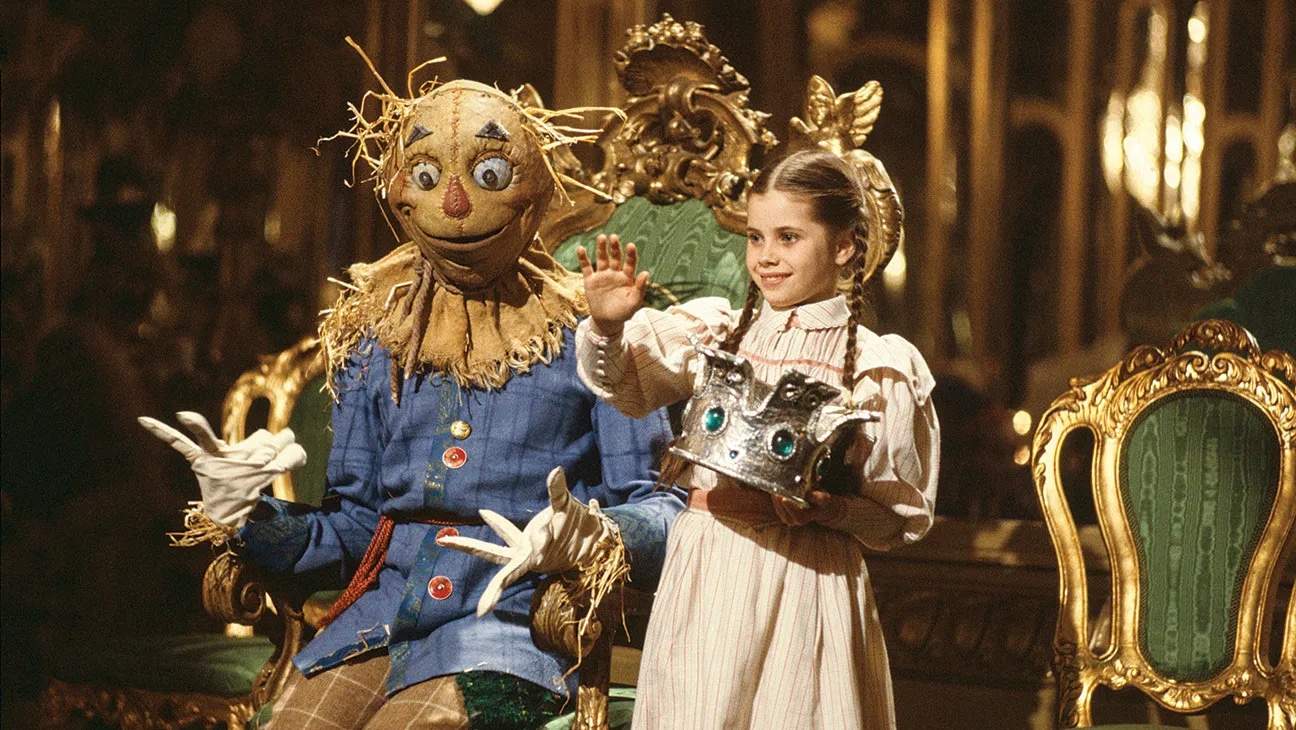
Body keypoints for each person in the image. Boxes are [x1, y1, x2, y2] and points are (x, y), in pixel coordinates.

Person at [142, 77, 683, 729]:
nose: (454, 203)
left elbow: (662, 505)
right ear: (397, 190)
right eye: (426, 175)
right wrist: (249, 514)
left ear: (535, 187)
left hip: (506, 636)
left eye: (488, 172)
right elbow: (353, 526)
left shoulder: (591, 334)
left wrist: (596, 534)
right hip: (381, 621)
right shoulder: (380, 336)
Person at [574, 147, 940, 728]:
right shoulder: (721, 332)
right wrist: (608, 326)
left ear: (844, 245)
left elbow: (898, 515)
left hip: (806, 581)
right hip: (709, 569)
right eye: (756, 238)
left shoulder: (876, 365)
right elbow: (625, 385)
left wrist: (831, 510)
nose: (766, 257)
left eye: (788, 238)